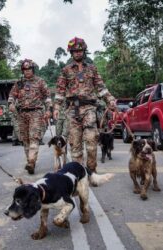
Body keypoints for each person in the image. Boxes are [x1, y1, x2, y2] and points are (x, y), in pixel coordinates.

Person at [53, 37, 116, 174]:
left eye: (80, 50)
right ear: (71, 52)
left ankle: (92, 171)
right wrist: (57, 107)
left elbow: (101, 88)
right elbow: (59, 91)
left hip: (89, 109)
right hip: (71, 111)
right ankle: (78, 175)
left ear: (84, 51)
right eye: (75, 51)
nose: (77, 53)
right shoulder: (66, 70)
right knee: (75, 146)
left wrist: (110, 100)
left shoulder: (92, 69)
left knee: (91, 142)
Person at [8, 59, 52, 174]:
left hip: (36, 113)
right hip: (21, 114)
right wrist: (11, 103)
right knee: (25, 139)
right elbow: (12, 95)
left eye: (29, 69)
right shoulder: (19, 83)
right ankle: (30, 162)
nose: (27, 71)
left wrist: (48, 110)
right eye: (25, 69)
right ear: (23, 71)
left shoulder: (40, 82)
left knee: (34, 137)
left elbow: (47, 97)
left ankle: (31, 162)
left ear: (33, 70)